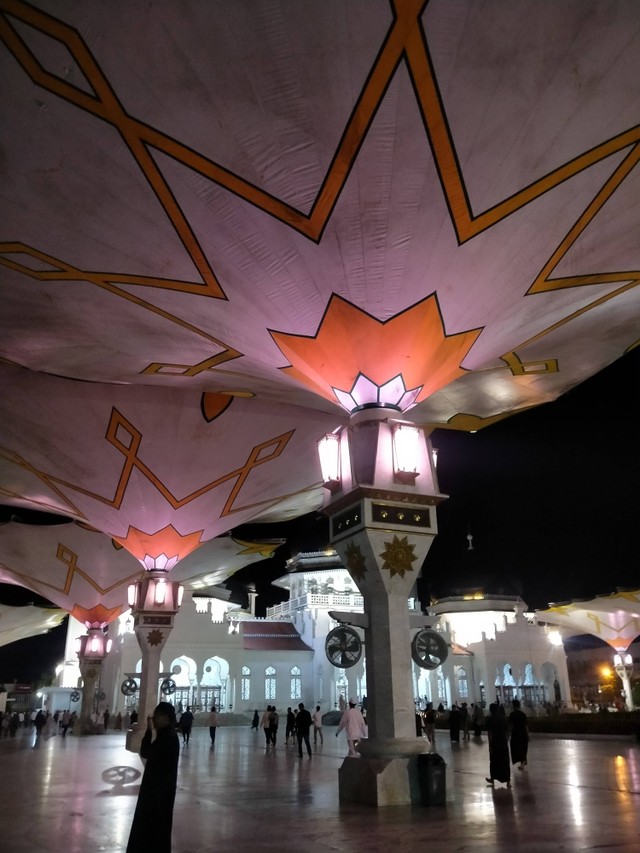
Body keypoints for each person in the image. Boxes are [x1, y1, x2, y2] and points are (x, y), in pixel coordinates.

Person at [126, 701, 180, 853]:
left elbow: (146, 752)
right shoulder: (166, 735)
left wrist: (148, 732)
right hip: (157, 791)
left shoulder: (168, 737)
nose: (154, 720)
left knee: (155, 829)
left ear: (166, 718)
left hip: (159, 793)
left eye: (156, 716)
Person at [485, 703, 511, 788]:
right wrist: (506, 739)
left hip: (495, 743)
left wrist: (489, 745)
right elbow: (508, 730)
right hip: (503, 743)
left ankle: (493, 778)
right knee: (505, 761)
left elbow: (490, 733)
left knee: (494, 761)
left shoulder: (490, 719)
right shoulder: (503, 719)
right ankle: (508, 781)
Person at [509, 699, 529, 769]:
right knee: (523, 748)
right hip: (523, 733)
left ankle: (522, 761)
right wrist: (527, 735)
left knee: (517, 748)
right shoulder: (523, 714)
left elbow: (511, 725)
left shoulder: (512, 714)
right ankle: (523, 761)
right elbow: (526, 726)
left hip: (516, 734)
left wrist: (509, 734)